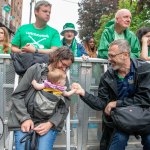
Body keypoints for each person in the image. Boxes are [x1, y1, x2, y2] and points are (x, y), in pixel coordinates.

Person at [72, 39, 150, 150]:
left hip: (144, 116)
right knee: (118, 140)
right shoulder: (107, 76)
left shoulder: (145, 69)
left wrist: (116, 103)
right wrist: (83, 93)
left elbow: (145, 99)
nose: (109, 59)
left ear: (125, 55)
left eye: (112, 56)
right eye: (109, 55)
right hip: (120, 120)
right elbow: (102, 104)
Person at [8, 46, 74, 150]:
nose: (64, 69)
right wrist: (25, 119)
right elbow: (17, 95)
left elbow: (64, 105)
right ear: (55, 57)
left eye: (67, 67)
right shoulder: (35, 69)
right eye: (63, 64)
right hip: (24, 117)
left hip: (47, 121)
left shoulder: (63, 77)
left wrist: (50, 123)